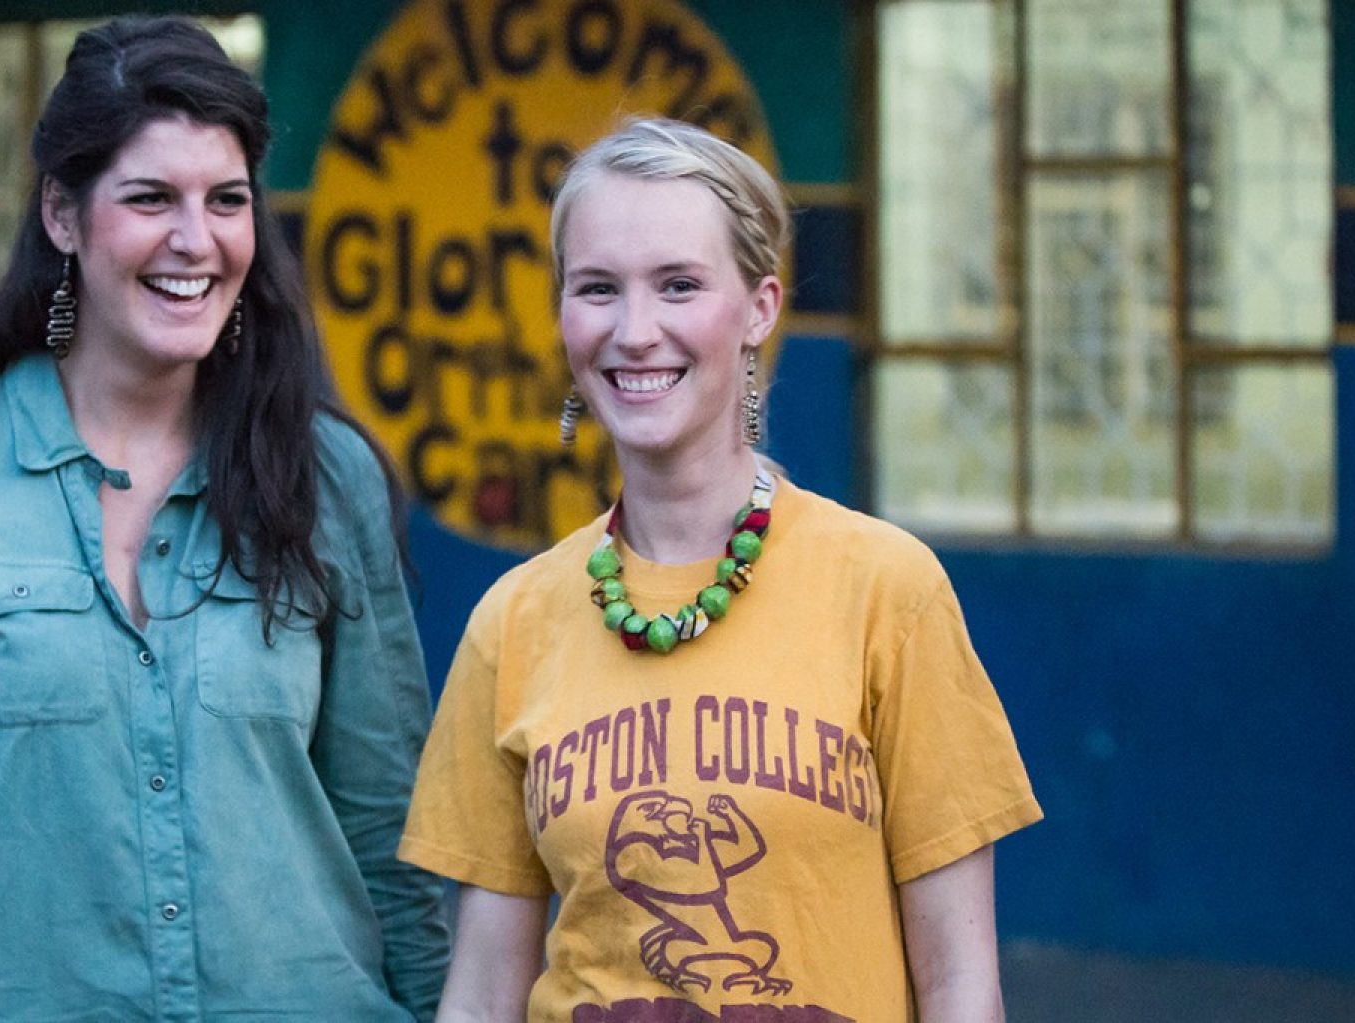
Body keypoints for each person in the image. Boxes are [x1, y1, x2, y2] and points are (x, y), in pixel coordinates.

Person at [0, 16, 448, 1021]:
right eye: (151, 197)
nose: (195, 240)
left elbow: (399, 833)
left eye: (227, 200)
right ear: (63, 216)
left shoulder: (326, 477)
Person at [399, 118, 1042, 1023]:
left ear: (760, 307)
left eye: (678, 285)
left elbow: (961, 984)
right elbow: (481, 991)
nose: (634, 330)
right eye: (596, 288)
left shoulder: (887, 591)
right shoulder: (514, 621)